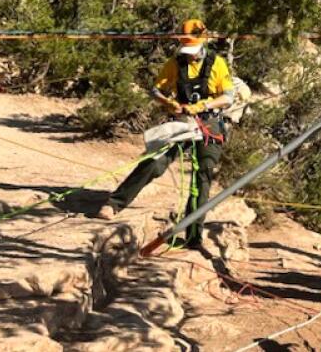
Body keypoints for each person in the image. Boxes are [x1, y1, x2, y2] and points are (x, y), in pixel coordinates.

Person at [94, 19, 234, 250]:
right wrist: (169, 103)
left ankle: (193, 234)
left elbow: (227, 97)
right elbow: (156, 90)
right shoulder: (174, 64)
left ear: (203, 43)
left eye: (193, 50)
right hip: (182, 122)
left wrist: (203, 106)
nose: (190, 55)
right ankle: (114, 203)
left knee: (203, 173)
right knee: (155, 162)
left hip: (209, 123)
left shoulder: (217, 64)